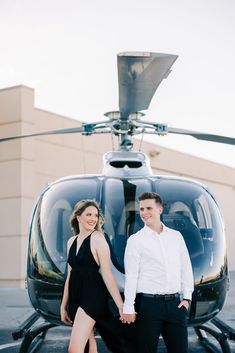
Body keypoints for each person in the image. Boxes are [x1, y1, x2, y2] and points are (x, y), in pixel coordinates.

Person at [121, 192, 194, 353]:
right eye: (141, 209)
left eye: (149, 208)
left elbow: (185, 268)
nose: (144, 213)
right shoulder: (135, 240)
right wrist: (129, 307)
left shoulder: (176, 237)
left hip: (176, 305)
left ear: (160, 209)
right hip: (148, 307)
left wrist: (187, 297)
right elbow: (131, 276)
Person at [60, 199, 124, 353]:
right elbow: (70, 275)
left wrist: (121, 306)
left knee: (74, 349)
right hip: (76, 297)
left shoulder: (98, 238)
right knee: (89, 345)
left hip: (92, 297)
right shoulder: (71, 241)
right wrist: (63, 306)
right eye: (89, 214)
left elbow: (107, 274)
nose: (93, 219)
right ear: (78, 217)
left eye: (95, 215)